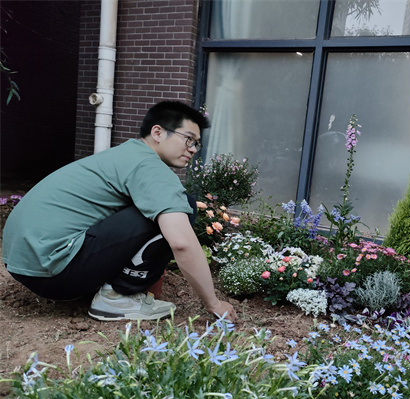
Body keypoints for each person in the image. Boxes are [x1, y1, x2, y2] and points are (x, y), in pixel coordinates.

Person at [2, 101, 236, 322]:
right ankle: (116, 297)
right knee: (184, 206)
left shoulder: (124, 155)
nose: (193, 149)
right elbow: (181, 243)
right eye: (188, 139)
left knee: (162, 208)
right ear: (157, 132)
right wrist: (213, 303)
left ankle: (101, 286)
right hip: (54, 272)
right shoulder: (148, 166)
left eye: (196, 144)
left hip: (26, 265)